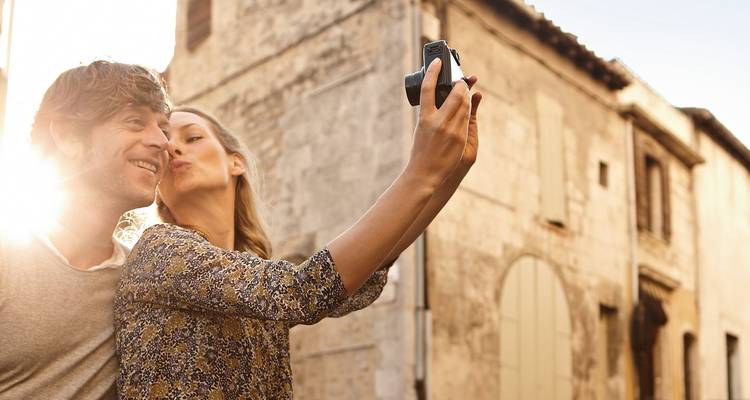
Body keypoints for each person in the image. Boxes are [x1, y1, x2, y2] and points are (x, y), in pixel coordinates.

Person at [115, 58, 483, 399]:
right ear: (159, 187)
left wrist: (450, 171)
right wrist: (423, 172)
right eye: (165, 147)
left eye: (192, 138)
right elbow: (306, 290)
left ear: (236, 163)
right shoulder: (160, 250)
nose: (174, 149)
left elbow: (357, 276)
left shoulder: (247, 271)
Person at [0, 61, 171, 399]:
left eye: (163, 128)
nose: (162, 141)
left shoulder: (143, 279)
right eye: (135, 122)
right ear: (66, 135)